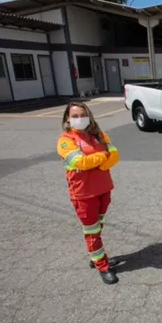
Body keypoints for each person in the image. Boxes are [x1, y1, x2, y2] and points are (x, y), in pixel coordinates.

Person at [57, 101, 121, 285]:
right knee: (92, 231)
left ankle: (96, 256)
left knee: (98, 226)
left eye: (82, 115)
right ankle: (102, 265)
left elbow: (115, 154)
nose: (79, 119)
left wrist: (100, 160)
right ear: (68, 120)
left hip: (104, 189)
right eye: (75, 116)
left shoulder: (99, 135)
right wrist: (103, 157)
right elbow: (80, 163)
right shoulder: (65, 141)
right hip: (84, 194)